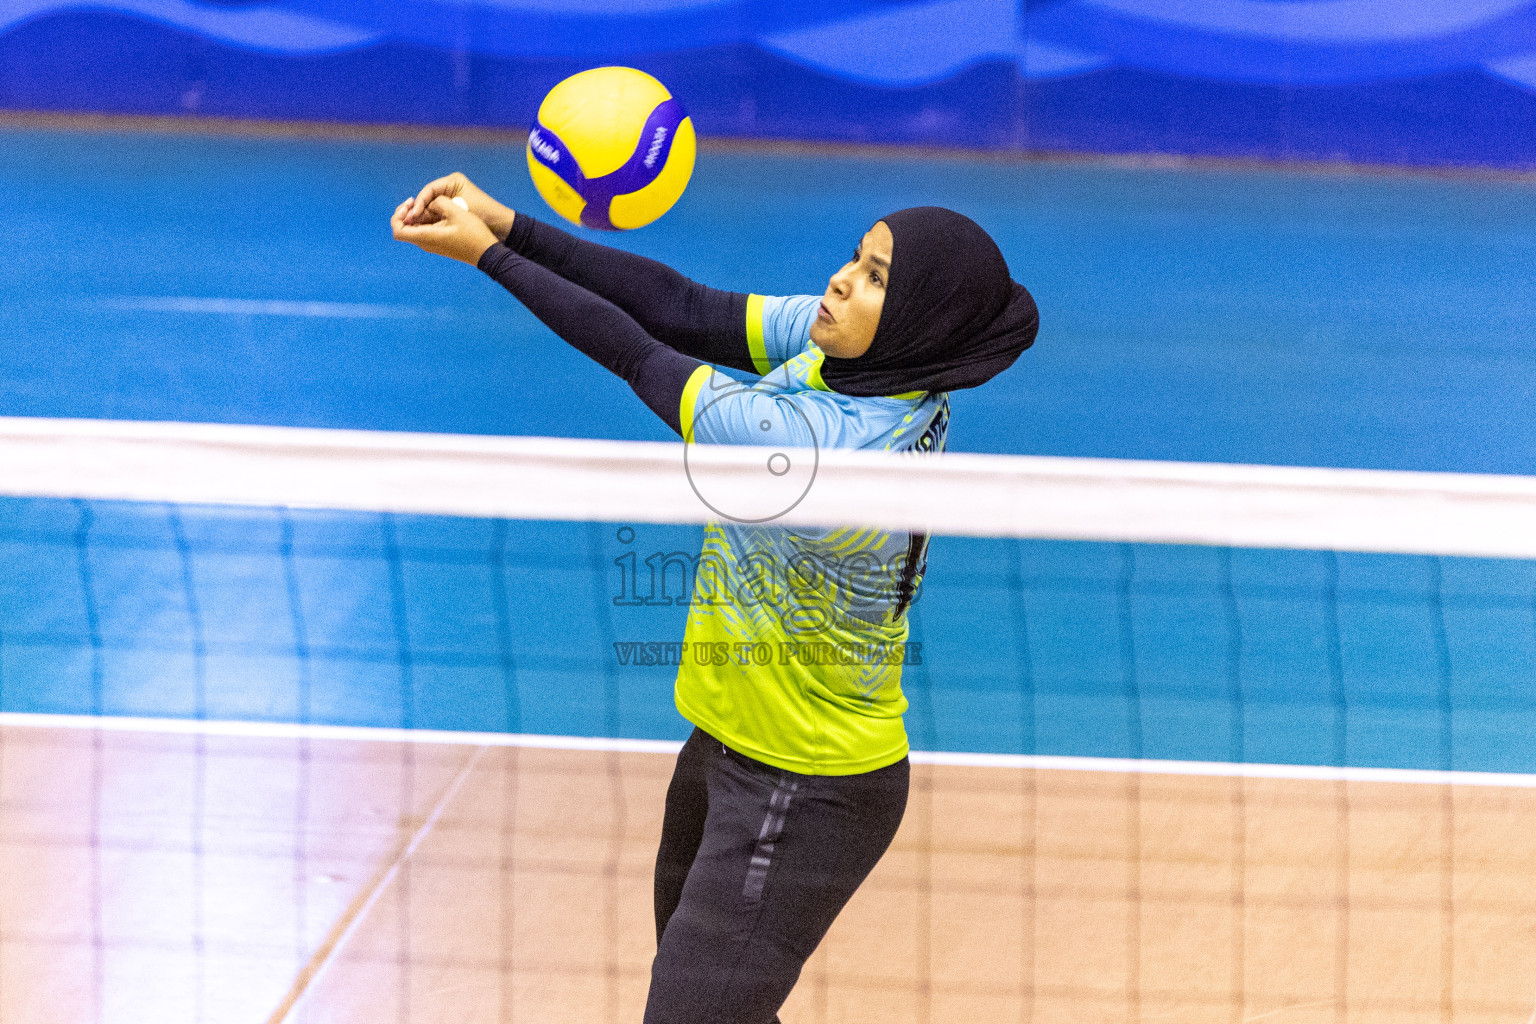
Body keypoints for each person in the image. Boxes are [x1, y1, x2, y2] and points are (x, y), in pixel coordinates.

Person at [392, 174, 1038, 1024]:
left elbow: (640, 354)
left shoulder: (820, 452)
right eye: (856, 256)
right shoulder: (868, 364)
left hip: (804, 787)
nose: (843, 280)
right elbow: (684, 306)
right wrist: (509, 222)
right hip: (727, 747)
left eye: (876, 276)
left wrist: (489, 258)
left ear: (920, 320)